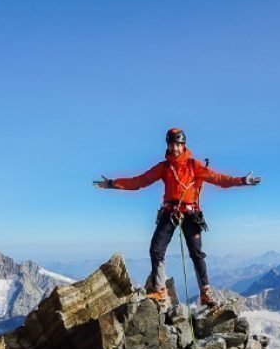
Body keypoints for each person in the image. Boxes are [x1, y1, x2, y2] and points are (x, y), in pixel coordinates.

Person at [94, 127, 260, 306]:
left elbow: (219, 179)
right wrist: (112, 184)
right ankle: (160, 290)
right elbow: (139, 181)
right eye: (171, 144)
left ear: (183, 145)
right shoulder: (164, 167)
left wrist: (241, 181)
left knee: (196, 254)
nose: (174, 148)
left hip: (190, 213)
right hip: (170, 211)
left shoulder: (194, 165)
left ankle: (205, 293)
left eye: (177, 144)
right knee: (156, 250)